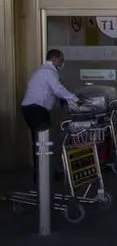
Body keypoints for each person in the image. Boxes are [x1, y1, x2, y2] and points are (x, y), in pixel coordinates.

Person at [21, 49, 80, 183]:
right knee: (43, 142)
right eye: (61, 59)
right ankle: (43, 176)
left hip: (33, 109)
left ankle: (42, 174)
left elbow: (50, 93)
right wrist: (74, 99)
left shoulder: (43, 71)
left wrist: (65, 102)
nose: (62, 62)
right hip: (36, 110)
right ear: (54, 59)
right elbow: (57, 89)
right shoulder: (48, 71)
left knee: (40, 142)